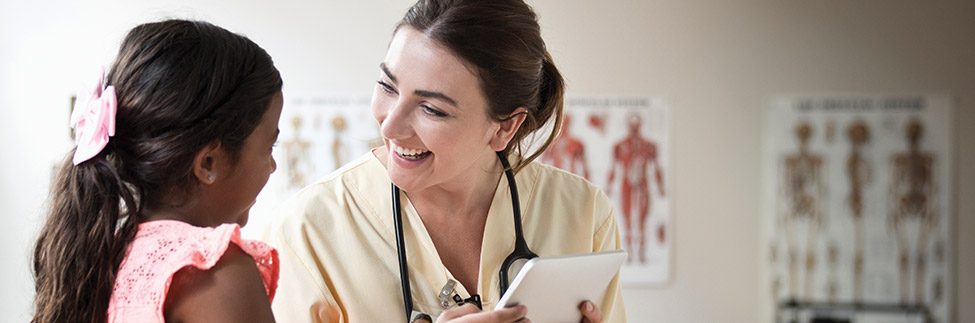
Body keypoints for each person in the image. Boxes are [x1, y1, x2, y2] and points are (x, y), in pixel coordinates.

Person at [264, 0, 626, 322]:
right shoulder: (308, 230)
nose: (390, 125)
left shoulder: (583, 213)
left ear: (506, 127)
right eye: (388, 86)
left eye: (432, 109)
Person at [31, 19, 283, 323]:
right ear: (208, 163)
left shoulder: (102, 258)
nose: (272, 166)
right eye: (270, 147)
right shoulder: (211, 268)